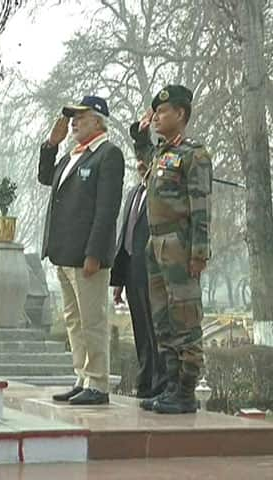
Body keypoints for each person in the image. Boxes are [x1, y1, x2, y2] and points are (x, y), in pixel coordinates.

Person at [130, 85, 212, 414]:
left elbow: (201, 208)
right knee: (162, 319)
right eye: (156, 113)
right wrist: (140, 135)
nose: (158, 117)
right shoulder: (162, 154)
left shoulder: (194, 155)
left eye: (163, 112)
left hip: (179, 243)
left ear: (181, 114)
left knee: (185, 319)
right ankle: (170, 386)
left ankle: (186, 391)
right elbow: (143, 157)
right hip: (155, 244)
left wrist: (199, 253)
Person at [38, 95, 124, 405]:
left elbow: (106, 210)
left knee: (92, 319)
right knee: (74, 320)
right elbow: (45, 178)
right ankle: (83, 376)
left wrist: (96, 253)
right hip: (63, 253)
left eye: (81, 117)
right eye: (72, 117)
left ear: (99, 120)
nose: (74, 122)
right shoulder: (71, 155)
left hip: (87, 255)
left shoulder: (108, 155)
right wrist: (52, 144)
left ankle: (98, 383)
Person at [110, 159, 167, 399]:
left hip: (154, 270)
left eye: (147, 160)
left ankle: (161, 384)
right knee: (140, 330)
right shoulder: (133, 193)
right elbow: (125, 235)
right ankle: (145, 382)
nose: (142, 164)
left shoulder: (160, 193)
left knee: (157, 330)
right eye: (139, 160)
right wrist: (119, 280)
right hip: (132, 271)